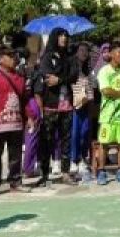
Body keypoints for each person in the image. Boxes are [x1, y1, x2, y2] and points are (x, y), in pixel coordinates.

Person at [0, 48, 31, 197]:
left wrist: (29, 117)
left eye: (14, 56)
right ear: (0, 60)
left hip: (16, 123)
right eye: (9, 56)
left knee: (16, 155)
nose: (13, 58)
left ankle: (15, 182)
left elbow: (24, 100)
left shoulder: (19, 77)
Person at [34, 27, 76, 186]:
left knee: (66, 140)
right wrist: (61, 69)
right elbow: (46, 75)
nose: (64, 38)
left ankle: (65, 173)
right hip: (50, 106)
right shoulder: (47, 56)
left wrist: (59, 79)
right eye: (60, 35)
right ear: (54, 38)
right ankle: (44, 174)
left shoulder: (70, 57)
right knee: (46, 140)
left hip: (67, 105)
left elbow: (73, 76)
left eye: (66, 35)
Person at [98, 45, 120, 185]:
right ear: (112, 54)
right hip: (108, 115)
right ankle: (102, 171)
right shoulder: (104, 71)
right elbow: (106, 91)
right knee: (104, 144)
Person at [70, 42, 95, 179]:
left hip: (86, 104)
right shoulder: (72, 68)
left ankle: (83, 158)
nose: (84, 53)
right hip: (74, 105)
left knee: (85, 133)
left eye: (86, 50)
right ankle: (74, 160)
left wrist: (90, 101)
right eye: (81, 50)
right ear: (76, 52)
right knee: (75, 134)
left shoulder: (88, 69)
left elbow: (91, 88)